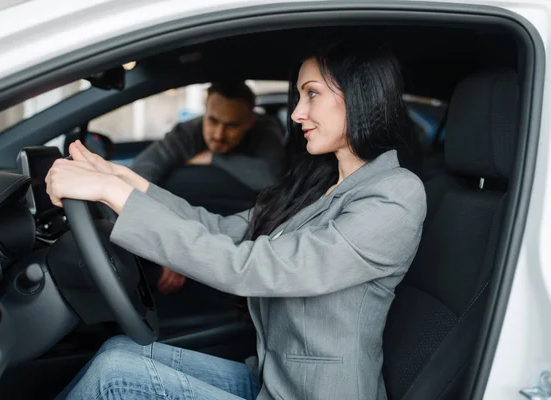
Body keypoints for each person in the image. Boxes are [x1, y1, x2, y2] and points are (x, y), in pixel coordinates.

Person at [47, 39, 427, 400]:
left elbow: (252, 268)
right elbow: (219, 228)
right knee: (119, 350)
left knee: (115, 376)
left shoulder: (395, 195)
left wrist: (115, 196)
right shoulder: (320, 182)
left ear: (359, 94)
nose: (296, 113)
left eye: (311, 93)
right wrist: (126, 183)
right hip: (272, 379)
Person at [131, 81, 286, 294]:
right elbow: (142, 172)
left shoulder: (265, 132)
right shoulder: (187, 133)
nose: (219, 134)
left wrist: (214, 158)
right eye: (213, 120)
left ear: (249, 122)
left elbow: (270, 178)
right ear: (205, 112)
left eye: (231, 125)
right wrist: (167, 245)